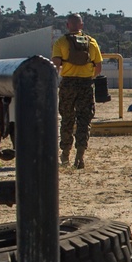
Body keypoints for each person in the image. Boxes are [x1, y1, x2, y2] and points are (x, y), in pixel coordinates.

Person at [52, 13, 102, 169]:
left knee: (67, 119)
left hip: (67, 84)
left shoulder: (60, 42)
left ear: (67, 25)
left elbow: (55, 66)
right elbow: (98, 68)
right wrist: (87, 77)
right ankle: (80, 157)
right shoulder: (91, 42)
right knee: (84, 120)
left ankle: (65, 154)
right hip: (86, 85)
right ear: (81, 25)